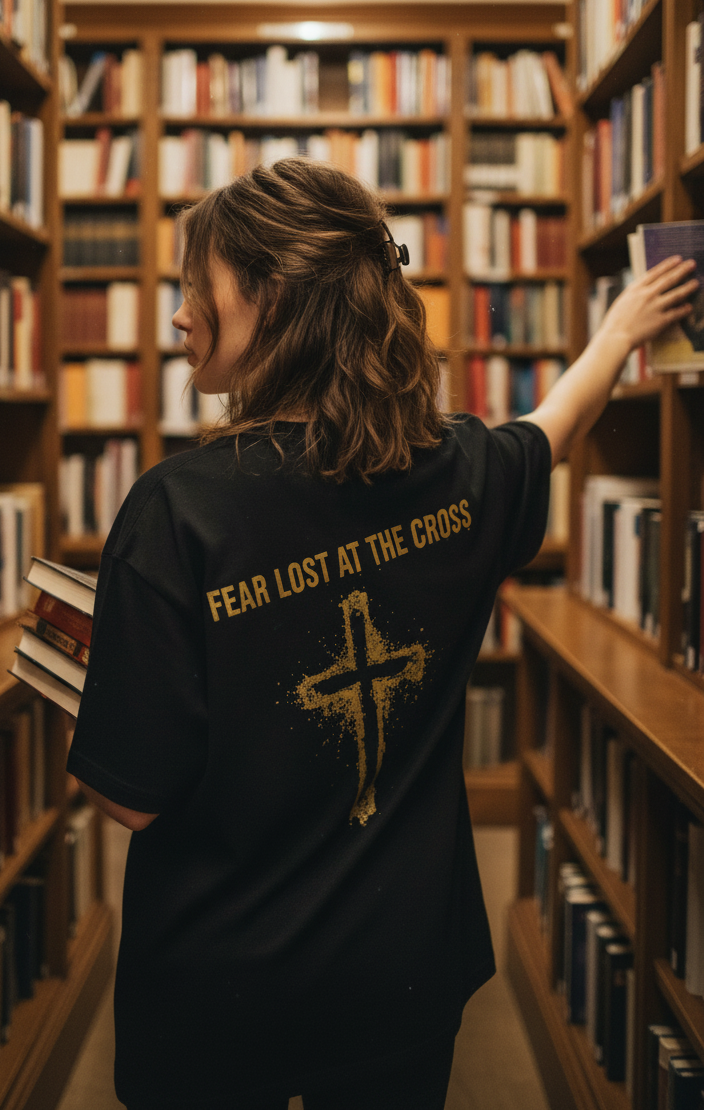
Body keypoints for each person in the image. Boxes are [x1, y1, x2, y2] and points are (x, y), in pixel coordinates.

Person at [67, 158, 697, 1110]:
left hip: (221, 983)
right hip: (402, 969)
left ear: (271, 302)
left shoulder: (176, 513)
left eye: (196, 288)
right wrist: (621, 329)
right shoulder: (458, 472)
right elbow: (554, 426)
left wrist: (89, 671)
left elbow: (133, 801)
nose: (179, 315)